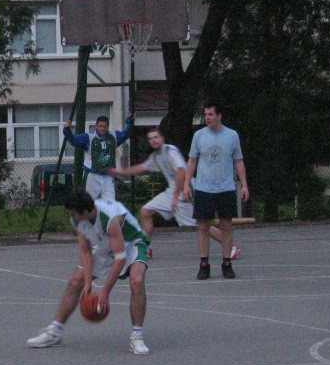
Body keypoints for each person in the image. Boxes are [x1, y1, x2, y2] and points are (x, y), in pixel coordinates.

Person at [26, 189, 151, 354]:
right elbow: (86, 252)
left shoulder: (109, 217)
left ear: (84, 211)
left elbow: (120, 259)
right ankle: (54, 332)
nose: (69, 215)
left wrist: (105, 292)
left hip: (132, 242)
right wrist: (87, 284)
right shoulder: (77, 220)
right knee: (75, 282)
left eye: (72, 212)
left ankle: (137, 336)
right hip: (106, 245)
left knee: (136, 280)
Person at [109, 127, 241, 260]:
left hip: (185, 192)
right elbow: (142, 168)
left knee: (202, 225)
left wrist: (175, 198)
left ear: (162, 139)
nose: (153, 140)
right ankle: (146, 248)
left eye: (156, 137)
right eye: (150, 138)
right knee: (145, 212)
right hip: (172, 192)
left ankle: (231, 247)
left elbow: (181, 173)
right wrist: (119, 172)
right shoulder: (156, 156)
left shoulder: (170, 151)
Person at [183, 102, 250, 280]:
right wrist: (186, 184)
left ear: (219, 116)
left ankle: (227, 263)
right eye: (205, 114)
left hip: (226, 187)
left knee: (226, 226)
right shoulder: (199, 135)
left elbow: (238, 161)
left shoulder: (231, 135)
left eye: (211, 114)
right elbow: (192, 161)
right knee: (203, 226)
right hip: (204, 188)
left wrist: (244, 184)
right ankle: (204, 264)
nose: (207, 118)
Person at [63, 114, 133, 200]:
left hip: (108, 176)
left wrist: (129, 120)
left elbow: (126, 134)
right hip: (92, 176)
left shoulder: (114, 136)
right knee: (90, 204)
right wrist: (67, 129)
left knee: (111, 204)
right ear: (96, 126)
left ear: (108, 126)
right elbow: (73, 140)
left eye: (105, 126)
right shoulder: (89, 138)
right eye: (100, 126)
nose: (102, 128)